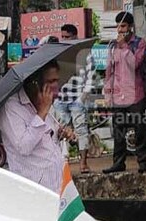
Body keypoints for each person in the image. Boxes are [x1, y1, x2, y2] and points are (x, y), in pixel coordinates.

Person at [0, 60, 74, 194]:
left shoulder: (44, 103)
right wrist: (41, 113)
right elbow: (24, 146)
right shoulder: (12, 108)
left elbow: (47, 139)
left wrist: (60, 133)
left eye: (57, 81)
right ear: (35, 83)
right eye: (50, 81)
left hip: (57, 185)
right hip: (33, 191)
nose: (56, 87)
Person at [103, 11, 146, 174]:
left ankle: (142, 162)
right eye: (118, 26)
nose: (120, 29)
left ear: (130, 27)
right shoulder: (112, 46)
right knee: (118, 129)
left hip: (135, 93)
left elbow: (135, 64)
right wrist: (108, 93)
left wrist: (124, 45)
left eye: (123, 26)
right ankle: (118, 162)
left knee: (139, 128)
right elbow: (109, 71)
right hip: (118, 94)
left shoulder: (139, 43)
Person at [54, 24, 94, 175]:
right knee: (61, 132)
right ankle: (64, 165)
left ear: (75, 36)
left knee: (81, 130)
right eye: (62, 36)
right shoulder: (59, 53)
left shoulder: (85, 54)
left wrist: (83, 97)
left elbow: (90, 77)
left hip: (77, 99)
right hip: (60, 98)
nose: (64, 39)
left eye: (67, 37)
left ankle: (83, 163)